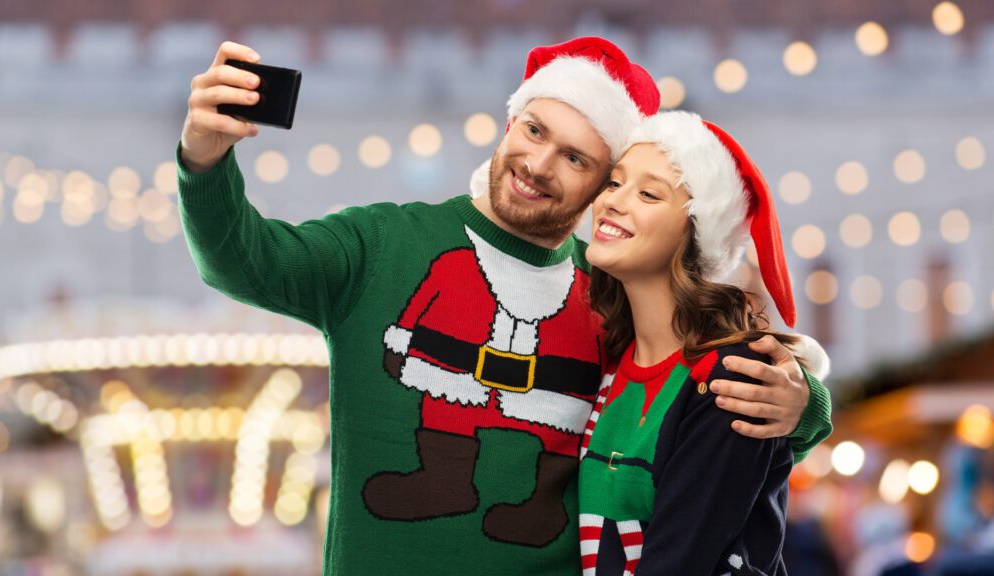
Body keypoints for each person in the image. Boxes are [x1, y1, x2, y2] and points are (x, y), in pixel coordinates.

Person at [177, 36, 832, 575]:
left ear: (597, 187)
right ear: (509, 122)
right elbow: (242, 260)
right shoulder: (380, 243)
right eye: (535, 130)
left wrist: (806, 406)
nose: (539, 163)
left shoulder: (608, 295)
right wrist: (203, 163)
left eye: (575, 157)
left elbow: (697, 382)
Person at [578, 111, 820, 575]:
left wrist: (811, 406)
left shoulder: (734, 378)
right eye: (614, 183)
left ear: (695, 233)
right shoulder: (607, 357)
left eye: (648, 193)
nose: (613, 201)